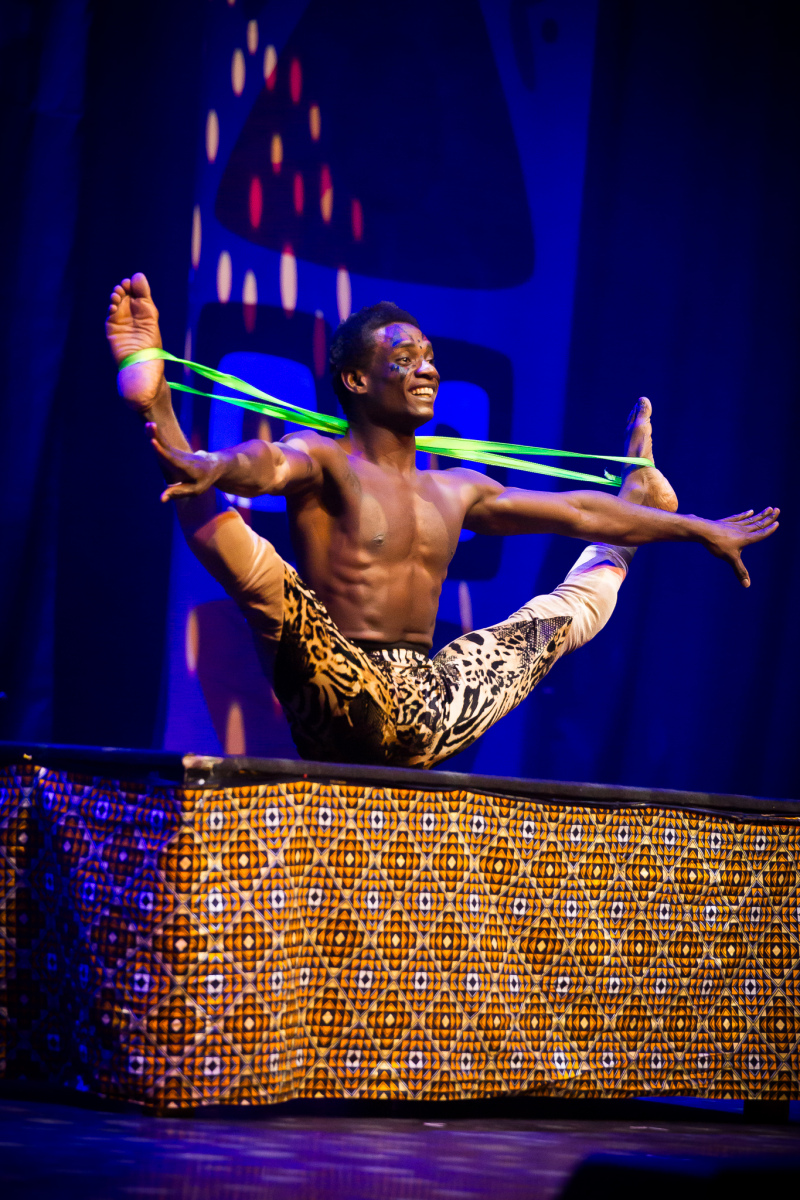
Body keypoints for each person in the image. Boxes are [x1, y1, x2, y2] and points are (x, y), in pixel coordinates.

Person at [106, 274, 778, 767]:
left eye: (429, 357)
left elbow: (577, 510)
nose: (425, 369)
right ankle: (157, 405)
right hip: (341, 686)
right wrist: (217, 466)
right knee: (259, 576)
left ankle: (641, 499)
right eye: (403, 360)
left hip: (428, 705)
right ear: (356, 381)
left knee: (555, 622)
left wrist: (697, 527)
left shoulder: (456, 490)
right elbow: (267, 462)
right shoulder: (324, 457)